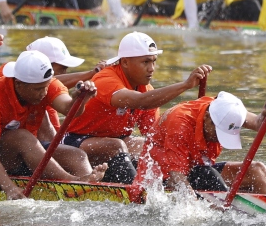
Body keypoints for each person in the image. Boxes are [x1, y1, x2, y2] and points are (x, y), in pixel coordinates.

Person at [63, 31, 211, 183]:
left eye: (154, 61)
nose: (152, 68)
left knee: (146, 146)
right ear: (125, 62)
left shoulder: (148, 91)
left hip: (115, 143)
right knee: (116, 145)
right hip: (74, 141)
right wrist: (186, 85)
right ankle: (137, 192)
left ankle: (173, 183)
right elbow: (141, 101)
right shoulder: (105, 79)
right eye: (145, 62)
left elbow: (154, 137)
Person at [0, 50, 107, 200]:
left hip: (20, 151)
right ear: (19, 84)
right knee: (22, 137)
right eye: (38, 89)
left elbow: (69, 109)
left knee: (76, 155)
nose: (44, 93)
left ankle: (88, 192)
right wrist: (10, 188)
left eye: (46, 87)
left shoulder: (47, 84)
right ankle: (74, 181)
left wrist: (79, 99)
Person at [0, 36, 98, 150]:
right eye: (63, 69)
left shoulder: (38, 87)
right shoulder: (12, 79)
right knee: (31, 133)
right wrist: (90, 74)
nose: (65, 73)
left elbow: (54, 137)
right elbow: (54, 82)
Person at [138, 91, 266, 194]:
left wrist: (265, 115)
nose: (219, 139)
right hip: (162, 175)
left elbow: (259, 125)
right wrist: (197, 210)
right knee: (207, 174)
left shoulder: (226, 107)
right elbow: (177, 178)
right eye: (218, 132)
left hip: (196, 167)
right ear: (207, 117)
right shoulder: (180, 124)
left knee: (257, 169)